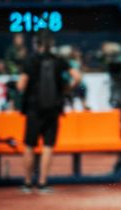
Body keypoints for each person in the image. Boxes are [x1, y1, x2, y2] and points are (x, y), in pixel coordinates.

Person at [17, 37, 81, 193]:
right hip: (53, 108)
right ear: (52, 44)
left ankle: (27, 183)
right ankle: (43, 182)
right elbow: (77, 77)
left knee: (29, 145)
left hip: (33, 109)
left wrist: (27, 93)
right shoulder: (59, 60)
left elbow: (20, 85)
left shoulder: (30, 60)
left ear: (36, 44)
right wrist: (66, 89)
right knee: (48, 146)